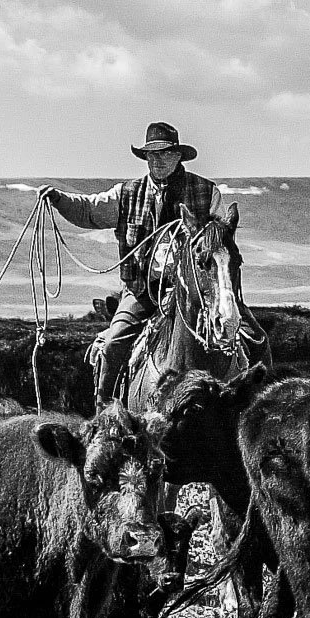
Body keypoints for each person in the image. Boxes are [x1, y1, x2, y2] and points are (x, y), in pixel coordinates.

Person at [40, 121, 221, 407]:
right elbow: (89, 210)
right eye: (151, 154)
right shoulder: (126, 194)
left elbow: (218, 243)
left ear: (177, 156)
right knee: (113, 344)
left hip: (196, 293)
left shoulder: (207, 193)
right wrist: (59, 199)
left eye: (163, 153)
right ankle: (105, 410)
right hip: (142, 291)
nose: (157, 160)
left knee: (251, 336)